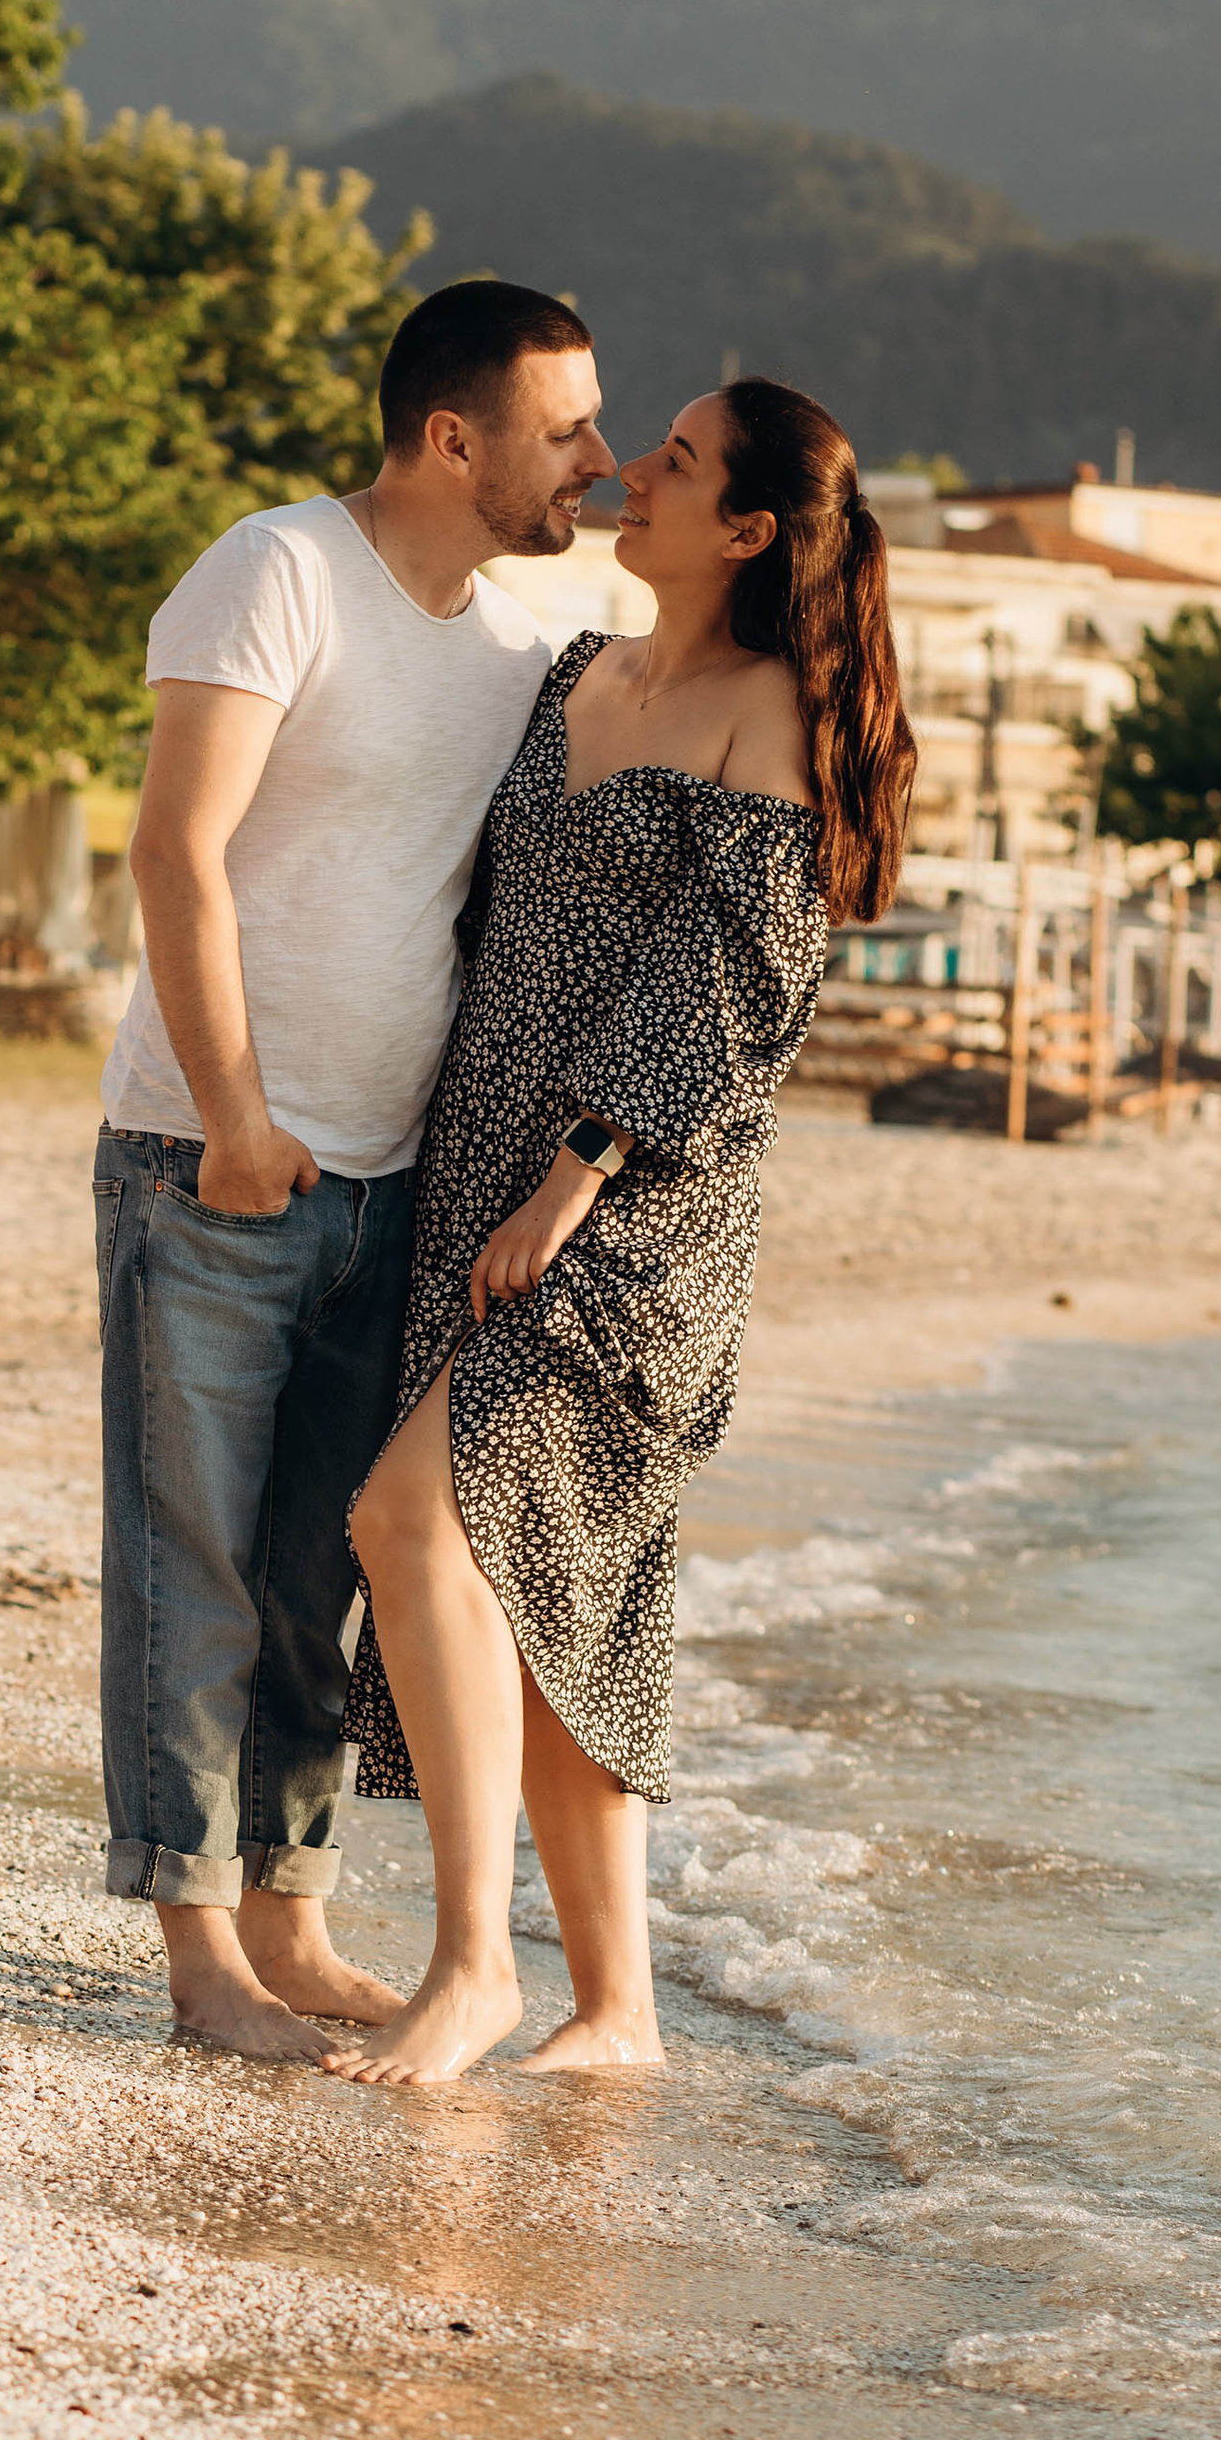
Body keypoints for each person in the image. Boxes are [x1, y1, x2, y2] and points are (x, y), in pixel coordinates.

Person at [332, 377, 917, 2087]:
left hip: (634, 1211)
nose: (630, 474)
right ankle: (622, 2011)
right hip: (479, 1174)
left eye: (675, 461)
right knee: (552, 1583)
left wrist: (574, 1177)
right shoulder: (575, 673)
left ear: (746, 529)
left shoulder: (767, 710)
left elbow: (736, 988)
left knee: (409, 1519)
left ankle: (472, 1968)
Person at [94, 283, 618, 2060]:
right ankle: (201, 1964)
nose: (600, 458)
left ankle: (292, 1923)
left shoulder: (520, 649)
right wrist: (238, 1119)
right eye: (567, 427)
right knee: (191, 1563)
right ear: (454, 439)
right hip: (209, 1160)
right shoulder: (276, 570)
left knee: (317, 1575)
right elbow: (174, 849)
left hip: (395, 1187)